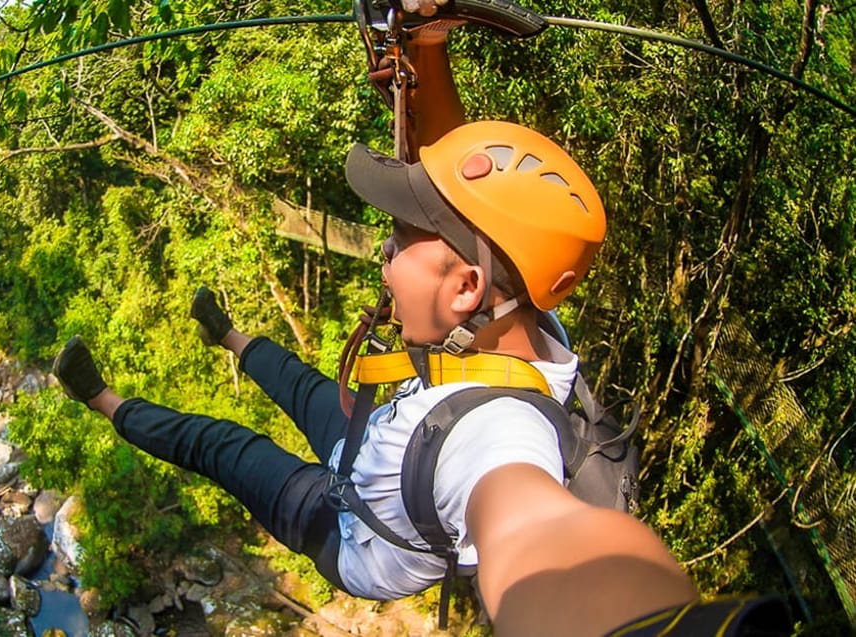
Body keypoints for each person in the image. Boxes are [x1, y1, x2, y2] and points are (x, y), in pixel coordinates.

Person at [54, 121, 787, 635]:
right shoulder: (526, 325)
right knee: (304, 383)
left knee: (222, 444)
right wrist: (421, 46)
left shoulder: (498, 439)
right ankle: (232, 337)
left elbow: (537, 531)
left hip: (351, 529)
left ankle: (101, 398)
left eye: (399, 240)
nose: (382, 256)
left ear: (467, 288)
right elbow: (468, 184)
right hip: (384, 442)